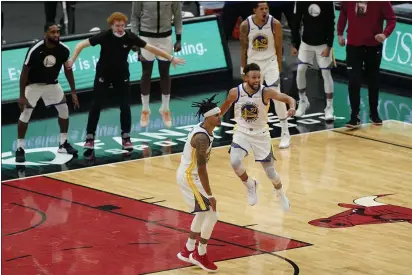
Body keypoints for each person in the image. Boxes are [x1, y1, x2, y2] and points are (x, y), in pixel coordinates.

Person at [67, 12, 185, 151]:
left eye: (122, 25)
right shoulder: (105, 35)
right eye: (117, 26)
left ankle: (126, 136)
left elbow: (150, 48)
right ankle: (90, 136)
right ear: (111, 26)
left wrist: (170, 58)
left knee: (124, 105)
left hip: (121, 74)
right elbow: (81, 44)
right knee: (97, 104)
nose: (120, 28)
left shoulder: (129, 37)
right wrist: (73, 60)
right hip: (103, 73)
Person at [219, 63, 295, 210]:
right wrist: (215, 118)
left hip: (261, 135)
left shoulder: (265, 92)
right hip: (242, 132)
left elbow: (288, 98)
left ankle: (280, 192)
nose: (257, 80)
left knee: (271, 173)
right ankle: (250, 184)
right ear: (245, 77)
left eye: (259, 77)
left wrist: (292, 107)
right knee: (235, 162)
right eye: (253, 77)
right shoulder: (235, 92)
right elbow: (225, 106)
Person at [15, 22, 79, 163]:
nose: (56, 35)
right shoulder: (35, 49)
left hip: (52, 84)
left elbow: (68, 70)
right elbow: (24, 73)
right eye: (52, 32)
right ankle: (19, 148)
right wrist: (21, 95)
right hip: (33, 85)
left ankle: (63, 143)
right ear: (45, 34)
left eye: (58, 32)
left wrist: (73, 91)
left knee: (64, 109)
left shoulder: (64, 49)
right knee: (25, 114)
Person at [176, 95, 221, 272]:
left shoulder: (206, 128)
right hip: (190, 177)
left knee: (202, 213)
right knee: (212, 213)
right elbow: (202, 170)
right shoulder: (201, 138)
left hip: (190, 175)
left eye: (219, 114)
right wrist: (210, 195)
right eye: (216, 115)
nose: (220, 117)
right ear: (207, 117)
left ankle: (187, 250)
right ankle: (200, 253)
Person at [239, 1, 291, 149]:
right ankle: (253, 134)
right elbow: (242, 49)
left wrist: (279, 67)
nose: (264, 11)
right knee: (253, 100)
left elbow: (279, 47)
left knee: (277, 96)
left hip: (270, 62)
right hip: (254, 64)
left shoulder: (275, 24)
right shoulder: (245, 25)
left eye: (266, 8)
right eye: (261, 9)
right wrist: (243, 70)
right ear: (254, 10)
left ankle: (285, 132)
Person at [337, 1, 396, 128]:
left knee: (373, 80)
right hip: (353, 45)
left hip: (373, 46)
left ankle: (374, 114)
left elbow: (391, 19)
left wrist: (385, 34)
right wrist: (340, 33)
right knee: (354, 80)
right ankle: (354, 116)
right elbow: (343, 13)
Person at [131, 1, 183, 128]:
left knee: (165, 72)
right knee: (146, 73)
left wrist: (179, 38)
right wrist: (133, 38)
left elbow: (177, 16)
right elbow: (135, 16)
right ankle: (145, 110)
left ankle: (165, 109)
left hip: (166, 37)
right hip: (146, 37)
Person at [291, 1, 336, 121]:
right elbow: (295, 22)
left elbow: (331, 23)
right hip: (306, 43)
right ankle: (303, 101)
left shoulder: (328, 2)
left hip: (323, 44)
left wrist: (329, 46)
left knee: (326, 73)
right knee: (300, 70)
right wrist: (294, 44)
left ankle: (329, 107)